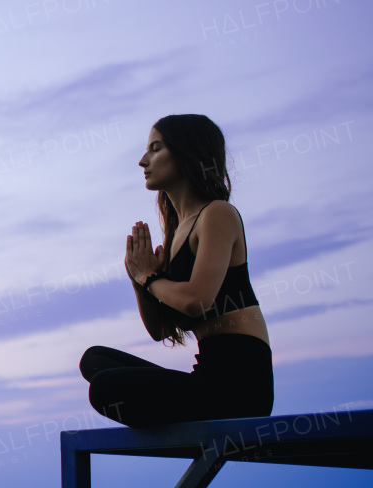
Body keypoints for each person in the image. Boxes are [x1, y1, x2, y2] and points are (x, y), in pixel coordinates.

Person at [79, 114, 273, 429]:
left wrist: (149, 278)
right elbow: (161, 330)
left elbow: (197, 301)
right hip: (206, 378)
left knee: (106, 389)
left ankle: (175, 421)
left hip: (241, 390)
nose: (143, 161)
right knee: (95, 360)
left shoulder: (217, 214)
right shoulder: (176, 235)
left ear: (186, 153)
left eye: (155, 149)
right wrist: (138, 281)